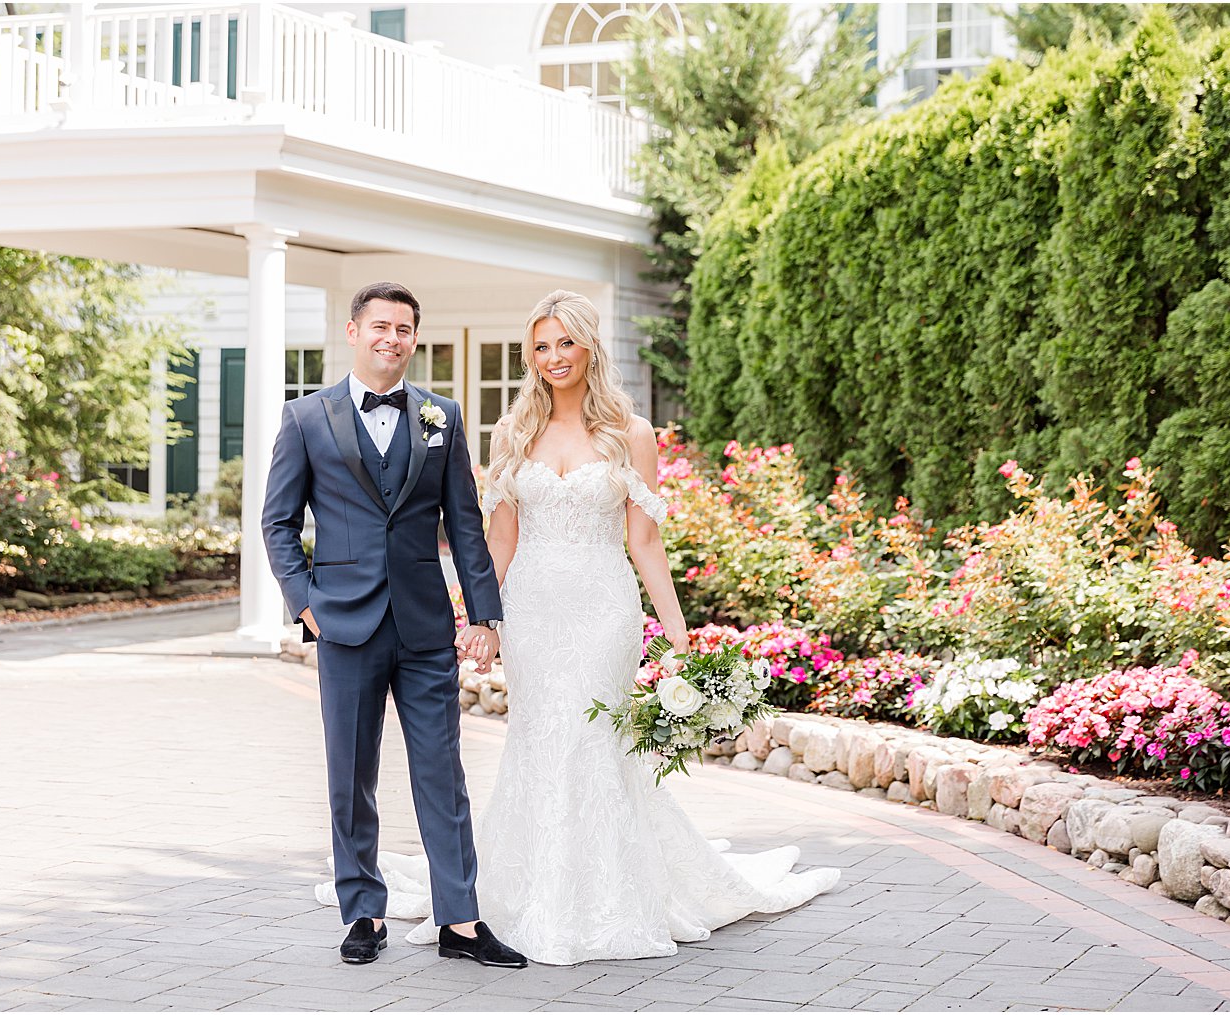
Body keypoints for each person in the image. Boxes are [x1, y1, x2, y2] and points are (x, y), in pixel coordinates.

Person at [343, 289, 840, 965]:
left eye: (566, 343)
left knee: (594, 741)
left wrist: (680, 632)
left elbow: (646, 542)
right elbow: (498, 540)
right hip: (532, 612)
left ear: (589, 346)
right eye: (541, 346)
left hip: (605, 608)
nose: (554, 358)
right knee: (541, 739)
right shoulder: (511, 433)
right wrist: (480, 618)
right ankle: (526, 892)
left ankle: (608, 896)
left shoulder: (631, 433)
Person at [262, 281, 527, 969]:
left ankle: (461, 921)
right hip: (344, 623)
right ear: (353, 332)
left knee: (442, 771)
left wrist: (485, 615)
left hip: (422, 625)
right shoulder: (306, 418)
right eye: (380, 325)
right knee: (351, 775)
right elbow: (278, 522)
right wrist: (304, 601)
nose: (392, 338)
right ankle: (362, 911)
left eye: (405, 328)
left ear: (414, 338)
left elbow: (466, 525)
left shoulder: (442, 416)